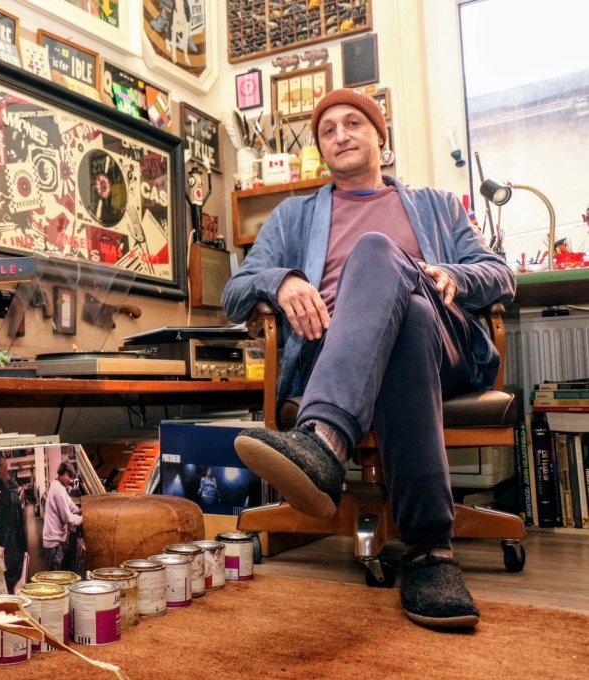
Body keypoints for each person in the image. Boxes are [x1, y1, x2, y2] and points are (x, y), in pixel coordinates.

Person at [221, 89, 515, 630]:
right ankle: (431, 553)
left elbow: (500, 273)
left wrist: (454, 274)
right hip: (336, 350)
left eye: (353, 122)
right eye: (327, 129)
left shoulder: (437, 205)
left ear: (381, 136)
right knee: (411, 321)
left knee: (381, 256)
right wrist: (281, 280)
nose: (340, 135)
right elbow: (235, 290)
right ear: (321, 149)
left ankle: (324, 441)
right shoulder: (293, 216)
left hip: (446, 351)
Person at [0, 451, 27, 593]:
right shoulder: (8, 494)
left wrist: (7, 577)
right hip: (10, 568)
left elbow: (12, 541)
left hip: (10, 571)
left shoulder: (9, 499)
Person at [42, 462, 83, 572]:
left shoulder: (59, 487)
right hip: (54, 542)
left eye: (71, 477)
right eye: (68, 476)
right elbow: (67, 518)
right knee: (55, 577)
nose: (70, 480)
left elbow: (71, 506)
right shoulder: (58, 490)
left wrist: (81, 510)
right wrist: (83, 519)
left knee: (56, 574)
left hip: (54, 539)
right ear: (62, 473)